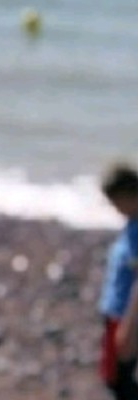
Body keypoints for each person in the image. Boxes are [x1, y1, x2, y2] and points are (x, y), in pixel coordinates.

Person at [99, 163, 138, 399]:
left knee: (119, 381)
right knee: (114, 377)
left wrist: (129, 328)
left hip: (125, 314)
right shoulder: (132, 224)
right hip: (117, 312)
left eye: (115, 201)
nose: (115, 208)